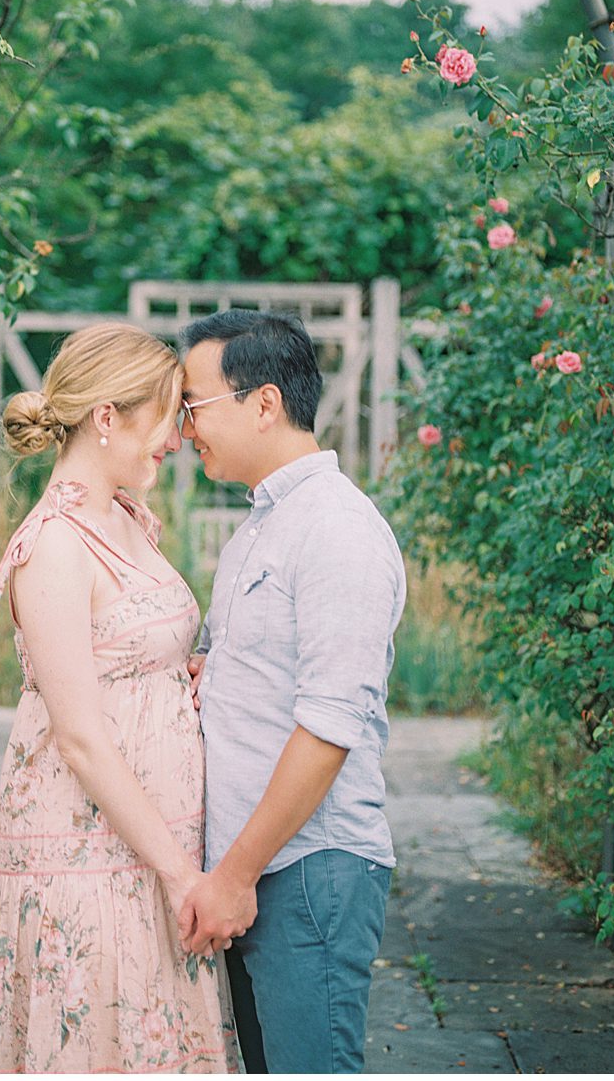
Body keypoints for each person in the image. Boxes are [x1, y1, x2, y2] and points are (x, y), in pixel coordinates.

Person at [0, 323, 239, 1074]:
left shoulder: (123, 516)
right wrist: (183, 875)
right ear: (108, 416)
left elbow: (139, 656)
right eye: (167, 415)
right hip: (87, 859)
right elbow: (80, 735)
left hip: (146, 852)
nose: (177, 440)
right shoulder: (53, 545)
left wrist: (191, 672)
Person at [176, 309, 406, 1075]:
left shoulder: (338, 529)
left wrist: (235, 875)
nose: (184, 426)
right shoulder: (257, 529)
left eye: (195, 404)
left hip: (307, 867)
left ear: (264, 402)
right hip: (258, 864)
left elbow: (330, 726)